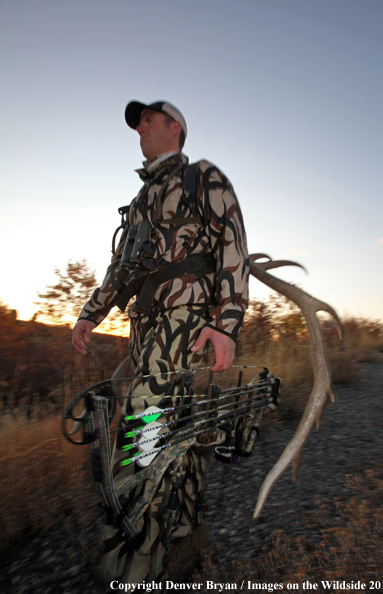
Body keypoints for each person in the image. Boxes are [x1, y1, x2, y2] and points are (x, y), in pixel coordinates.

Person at [72, 100, 249, 587]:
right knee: (179, 439)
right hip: (146, 331)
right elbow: (119, 270)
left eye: (149, 121)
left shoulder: (202, 178)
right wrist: (91, 313)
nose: (140, 129)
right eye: (138, 125)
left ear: (176, 128)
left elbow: (233, 245)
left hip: (186, 327)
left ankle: (128, 571)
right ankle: (186, 538)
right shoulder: (140, 200)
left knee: (141, 441)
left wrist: (227, 323)